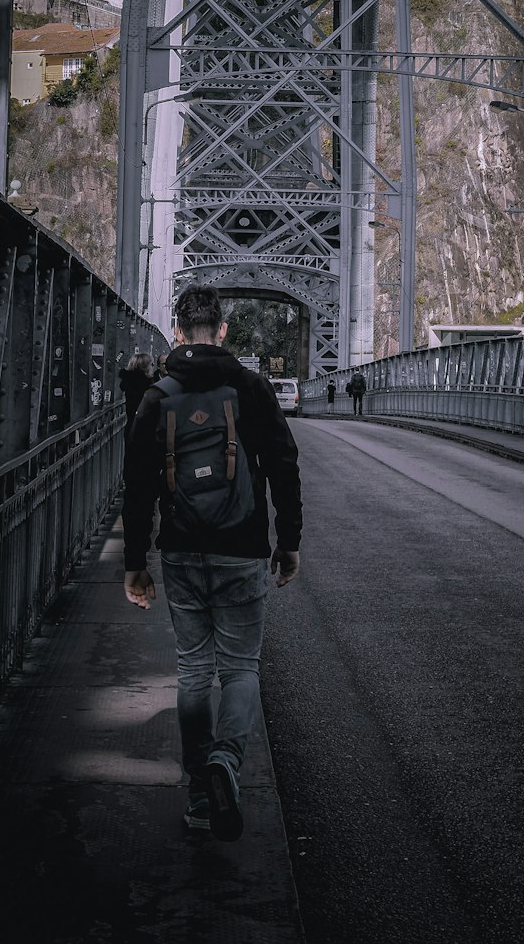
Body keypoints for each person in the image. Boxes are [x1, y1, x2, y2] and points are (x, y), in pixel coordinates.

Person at [122, 284, 302, 840]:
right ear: (223, 331)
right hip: (242, 548)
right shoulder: (250, 387)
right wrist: (287, 540)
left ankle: (201, 796)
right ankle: (226, 761)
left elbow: (137, 486)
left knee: (194, 671)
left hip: (180, 550)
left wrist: (136, 561)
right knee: (241, 667)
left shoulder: (157, 396)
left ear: (176, 332)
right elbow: (282, 463)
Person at [118, 352, 155, 434]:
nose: (153, 367)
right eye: (151, 364)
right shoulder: (147, 386)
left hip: (131, 427)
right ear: (145, 367)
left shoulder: (129, 383)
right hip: (145, 430)